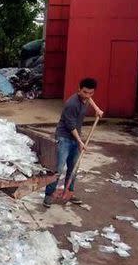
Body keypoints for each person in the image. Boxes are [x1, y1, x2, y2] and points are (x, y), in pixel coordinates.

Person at [43, 78, 103, 208]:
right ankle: (48, 194)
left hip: (76, 138)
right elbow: (71, 127)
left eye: (91, 93)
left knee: (73, 168)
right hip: (64, 137)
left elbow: (89, 99)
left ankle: (69, 192)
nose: (88, 95)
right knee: (58, 168)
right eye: (85, 92)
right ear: (79, 89)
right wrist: (80, 142)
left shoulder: (86, 98)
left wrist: (96, 109)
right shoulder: (72, 104)